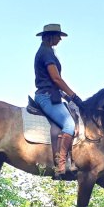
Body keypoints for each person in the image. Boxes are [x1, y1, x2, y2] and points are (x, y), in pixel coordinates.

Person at [33, 23, 83, 175]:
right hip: (46, 96)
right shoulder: (47, 53)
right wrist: (74, 95)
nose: (60, 40)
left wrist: (67, 96)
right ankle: (61, 164)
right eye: (58, 36)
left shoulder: (46, 51)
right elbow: (56, 79)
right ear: (50, 36)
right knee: (69, 124)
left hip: (52, 94)